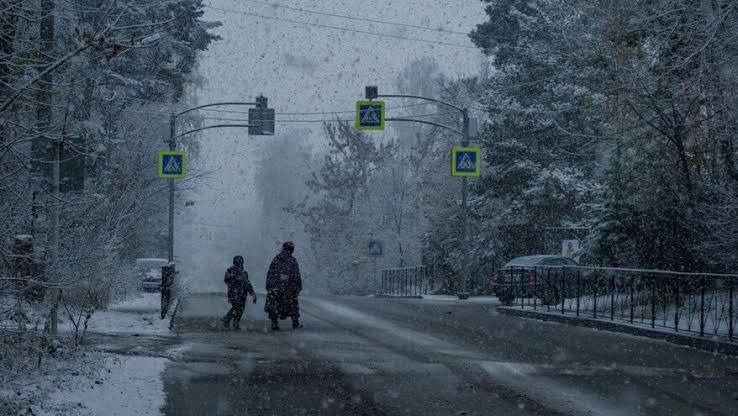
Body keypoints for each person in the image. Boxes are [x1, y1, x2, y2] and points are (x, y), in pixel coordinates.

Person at [265, 241, 302, 330]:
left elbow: (270, 274)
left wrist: (269, 287)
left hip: (276, 289)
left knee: (274, 305)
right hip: (288, 289)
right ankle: (295, 324)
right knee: (293, 306)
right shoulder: (292, 261)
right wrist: (297, 288)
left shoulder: (276, 259)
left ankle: (274, 324)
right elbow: (296, 276)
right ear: (291, 250)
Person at [221, 255, 256, 330]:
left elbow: (247, 284)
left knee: (240, 309)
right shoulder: (230, 271)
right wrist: (234, 278)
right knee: (236, 307)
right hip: (234, 294)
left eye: (240, 262)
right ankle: (227, 319)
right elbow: (226, 280)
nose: (239, 264)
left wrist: (253, 293)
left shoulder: (244, 273)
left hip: (242, 294)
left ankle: (234, 322)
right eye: (238, 262)